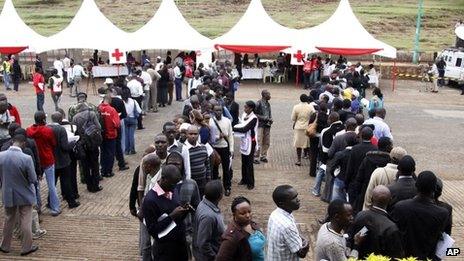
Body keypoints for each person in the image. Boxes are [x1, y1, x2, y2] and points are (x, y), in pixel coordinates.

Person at [390, 171, 449, 260]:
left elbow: (394, 234)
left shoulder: (400, 207)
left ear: (416, 186)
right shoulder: (442, 213)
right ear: (434, 189)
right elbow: (443, 240)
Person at [0, 134, 39, 256]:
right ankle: (26, 247)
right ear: (23, 144)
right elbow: (33, 179)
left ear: (12, 142)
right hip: (24, 194)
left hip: (7, 192)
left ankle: (5, 245)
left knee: (8, 219)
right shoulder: (26, 158)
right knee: (25, 220)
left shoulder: (1, 156)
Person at [142, 165, 189, 261]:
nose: (175, 187)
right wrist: (172, 216)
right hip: (165, 251)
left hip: (180, 246)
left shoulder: (172, 189)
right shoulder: (150, 200)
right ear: (163, 179)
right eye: (172, 184)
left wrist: (184, 211)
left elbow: (177, 219)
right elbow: (152, 230)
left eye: (176, 184)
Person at [349, 185, 404, 258]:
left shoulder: (360, 215)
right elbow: (396, 256)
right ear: (390, 200)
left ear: (371, 199)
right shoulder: (391, 228)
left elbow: (351, 241)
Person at [26, 111, 61, 216]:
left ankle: (37, 207)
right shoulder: (47, 130)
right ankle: (55, 208)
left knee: (35, 185)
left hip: (36, 161)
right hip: (47, 159)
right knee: (51, 185)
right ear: (44, 120)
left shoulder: (29, 130)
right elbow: (53, 143)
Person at [351, 137, 392, 214]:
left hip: (366, 191)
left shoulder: (368, 158)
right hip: (385, 194)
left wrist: (358, 192)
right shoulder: (390, 161)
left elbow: (360, 177)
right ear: (387, 147)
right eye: (391, 145)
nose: (392, 147)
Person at [216, 196, 265, 261]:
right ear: (234, 215)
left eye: (249, 212)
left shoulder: (252, 224)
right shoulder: (231, 237)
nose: (248, 216)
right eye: (242, 213)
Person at [267, 185, 309, 260]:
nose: (298, 200)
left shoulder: (275, 213)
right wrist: (307, 243)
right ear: (281, 203)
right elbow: (301, 253)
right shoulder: (287, 226)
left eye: (297, 196)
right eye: (294, 198)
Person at [48, 112, 80, 209]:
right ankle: (71, 202)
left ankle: (50, 202)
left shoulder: (47, 128)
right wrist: (73, 143)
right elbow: (64, 146)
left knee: (52, 183)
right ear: (61, 119)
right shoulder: (61, 129)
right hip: (62, 160)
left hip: (52, 159)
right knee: (66, 181)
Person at [72, 102, 102, 192]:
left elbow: (74, 131)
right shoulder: (91, 114)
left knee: (85, 165)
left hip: (82, 143)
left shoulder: (75, 117)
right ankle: (95, 185)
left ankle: (89, 185)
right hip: (92, 142)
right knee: (95, 165)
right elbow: (99, 126)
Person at [192, 180, 225, 260]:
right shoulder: (208, 216)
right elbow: (203, 243)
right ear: (220, 195)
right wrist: (214, 257)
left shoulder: (204, 202)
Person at [345, 127, 377, 204]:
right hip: (368, 182)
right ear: (372, 136)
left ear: (361, 135)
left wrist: (346, 182)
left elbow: (350, 167)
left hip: (355, 181)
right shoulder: (375, 149)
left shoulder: (355, 149)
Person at [209, 105, 234, 196]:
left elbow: (230, 136)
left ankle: (227, 187)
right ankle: (216, 189)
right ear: (213, 111)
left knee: (226, 169)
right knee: (215, 169)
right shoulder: (211, 122)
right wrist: (218, 137)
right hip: (215, 148)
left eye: (220, 110)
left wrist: (231, 149)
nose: (218, 112)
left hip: (225, 147)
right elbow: (210, 137)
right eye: (216, 110)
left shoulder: (227, 121)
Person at [233, 101, 258, 190]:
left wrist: (232, 128)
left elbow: (244, 128)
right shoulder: (244, 115)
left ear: (251, 109)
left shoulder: (254, 118)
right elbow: (241, 124)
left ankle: (251, 182)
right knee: (244, 161)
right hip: (244, 141)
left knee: (249, 163)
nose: (244, 109)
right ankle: (244, 179)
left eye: (246, 107)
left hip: (251, 141)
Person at [329, 132, 358, 201]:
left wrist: (334, 175)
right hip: (352, 180)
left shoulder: (340, 154)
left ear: (345, 142)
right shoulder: (357, 154)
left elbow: (332, 167)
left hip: (340, 178)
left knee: (336, 201)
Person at [185, 125, 211, 197]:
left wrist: (208, 180)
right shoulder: (184, 149)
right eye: (190, 134)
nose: (193, 136)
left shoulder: (203, 147)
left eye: (195, 134)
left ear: (198, 134)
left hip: (202, 182)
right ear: (187, 134)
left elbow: (207, 165)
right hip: (190, 182)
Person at [98, 94, 121, 178]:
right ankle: (108, 171)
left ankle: (103, 170)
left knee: (103, 153)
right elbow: (117, 124)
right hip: (111, 135)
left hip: (101, 135)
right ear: (110, 100)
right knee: (110, 153)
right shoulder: (112, 110)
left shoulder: (98, 108)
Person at [291, 94, 314, 166]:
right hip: (307, 127)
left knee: (298, 144)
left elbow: (293, 118)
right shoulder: (310, 107)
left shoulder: (296, 107)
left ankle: (299, 160)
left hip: (298, 127)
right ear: (307, 99)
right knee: (308, 145)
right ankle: (311, 161)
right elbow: (314, 115)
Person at [254, 90, 272, 163]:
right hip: (260, 125)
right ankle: (256, 157)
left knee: (266, 141)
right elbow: (254, 114)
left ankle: (263, 155)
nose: (270, 96)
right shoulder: (258, 103)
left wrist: (270, 119)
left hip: (267, 125)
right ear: (264, 95)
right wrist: (265, 118)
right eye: (268, 94)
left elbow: (269, 113)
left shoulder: (268, 104)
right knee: (259, 140)